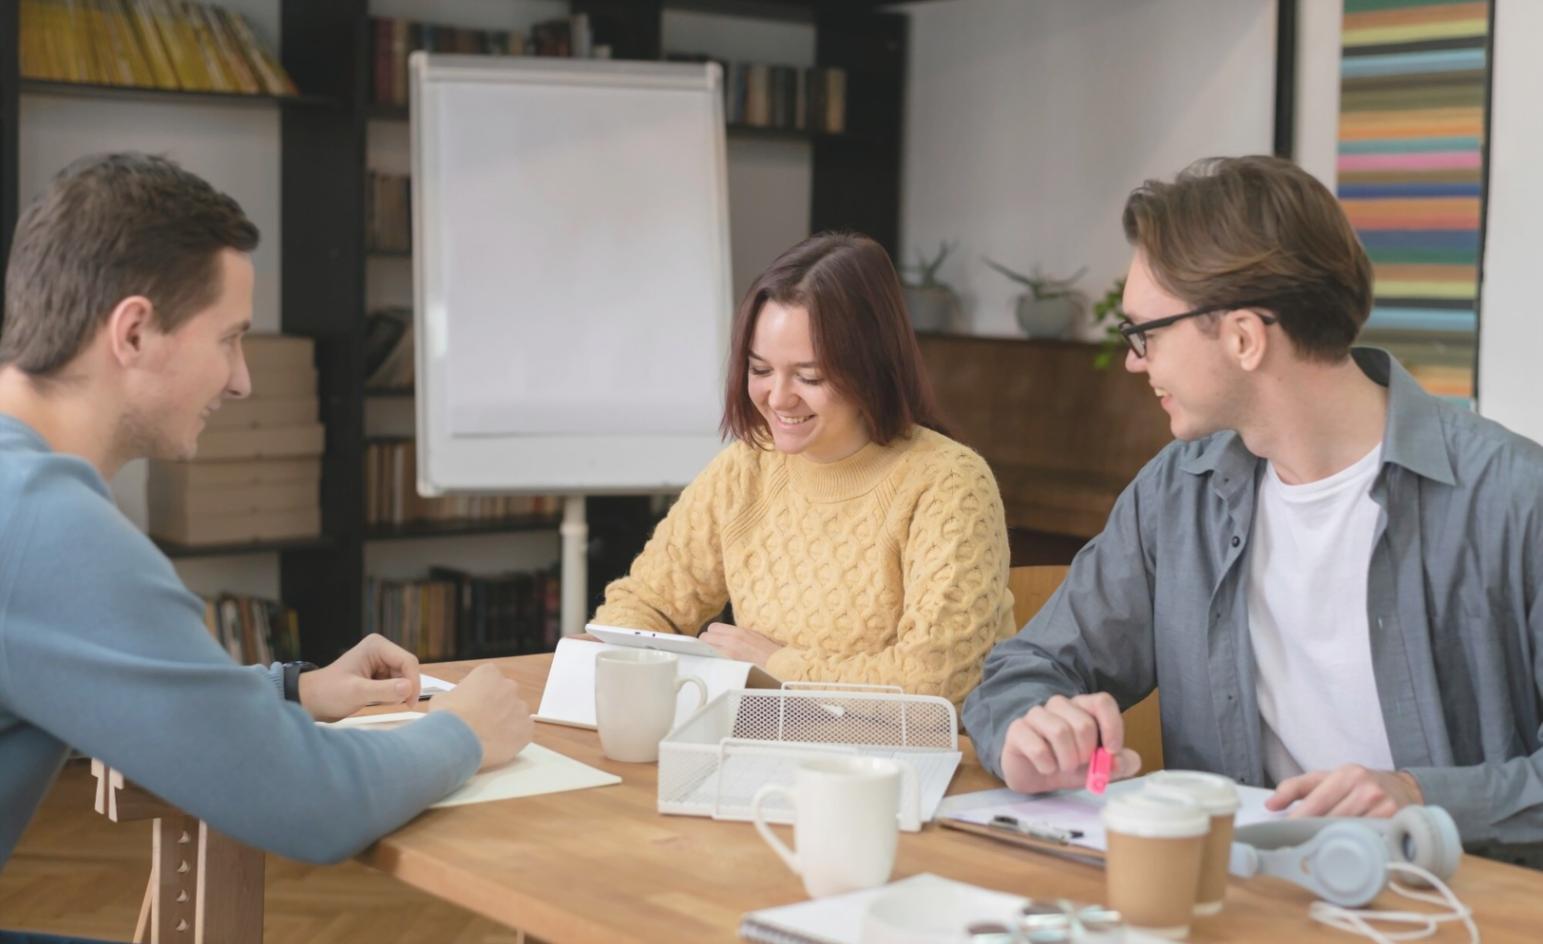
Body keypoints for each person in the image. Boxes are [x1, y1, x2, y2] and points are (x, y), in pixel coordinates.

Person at [963, 155, 1543, 855]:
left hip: (1457, 908)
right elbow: (1023, 669)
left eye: (1145, 332)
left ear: (1242, 336)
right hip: (1236, 900)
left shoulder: (1511, 498)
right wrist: (1029, 730)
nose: (1134, 361)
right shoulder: (1177, 493)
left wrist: (1419, 797)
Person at [0, 153, 534, 876]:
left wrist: (291, 689)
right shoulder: (44, 523)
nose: (243, 379)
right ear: (132, 334)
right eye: (229, 338)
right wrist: (461, 733)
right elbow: (311, 803)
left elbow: (99, 672)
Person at [593, 232, 1015, 707]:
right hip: (770, 742)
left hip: (914, 766)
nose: (777, 398)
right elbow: (643, 604)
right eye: (760, 369)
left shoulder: (949, 483)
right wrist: (635, 661)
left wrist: (776, 665)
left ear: (870, 366)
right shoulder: (746, 467)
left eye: (809, 376)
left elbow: (936, 681)